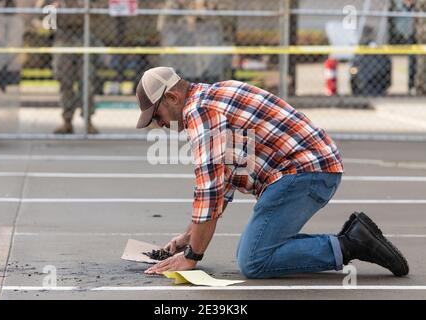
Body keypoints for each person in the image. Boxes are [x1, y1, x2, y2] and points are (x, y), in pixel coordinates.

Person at [136, 66, 409, 278]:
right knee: (258, 252)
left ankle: (353, 243)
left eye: (157, 116)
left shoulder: (200, 112)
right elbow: (224, 181)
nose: (159, 125)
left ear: (172, 97)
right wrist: (187, 237)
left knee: (254, 260)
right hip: (309, 169)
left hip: (304, 173)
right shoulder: (212, 96)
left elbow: (209, 191)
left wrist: (192, 256)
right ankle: (352, 240)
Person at [45, 0, 99, 134]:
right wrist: (53, 10)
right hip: (63, 39)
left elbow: (100, 13)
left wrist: (87, 7)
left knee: (86, 82)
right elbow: (46, 23)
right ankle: (67, 121)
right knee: (65, 82)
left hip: (84, 39)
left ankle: (88, 120)